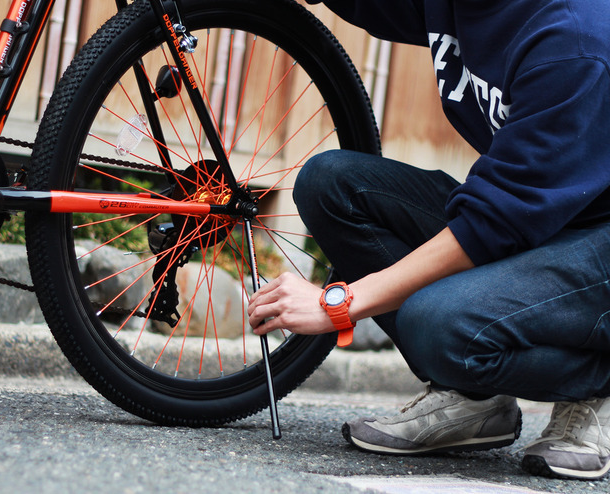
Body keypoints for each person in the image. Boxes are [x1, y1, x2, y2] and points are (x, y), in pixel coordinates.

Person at [247, 0, 610, 481]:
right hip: (535, 216)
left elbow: (491, 223)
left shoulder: (575, 43)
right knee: (331, 184)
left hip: (597, 240)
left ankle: (596, 383)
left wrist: (340, 303)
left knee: (438, 325)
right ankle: (474, 401)